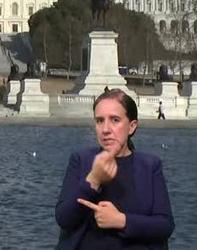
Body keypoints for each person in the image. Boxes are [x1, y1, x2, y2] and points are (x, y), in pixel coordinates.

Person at [54, 89, 174, 249]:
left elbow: (165, 225)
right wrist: (93, 180)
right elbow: (64, 219)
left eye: (115, 120)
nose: (105, 129)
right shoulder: (81, 159)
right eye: (99, 121)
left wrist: (121, 221)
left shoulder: (150, 165)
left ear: (132, 126)